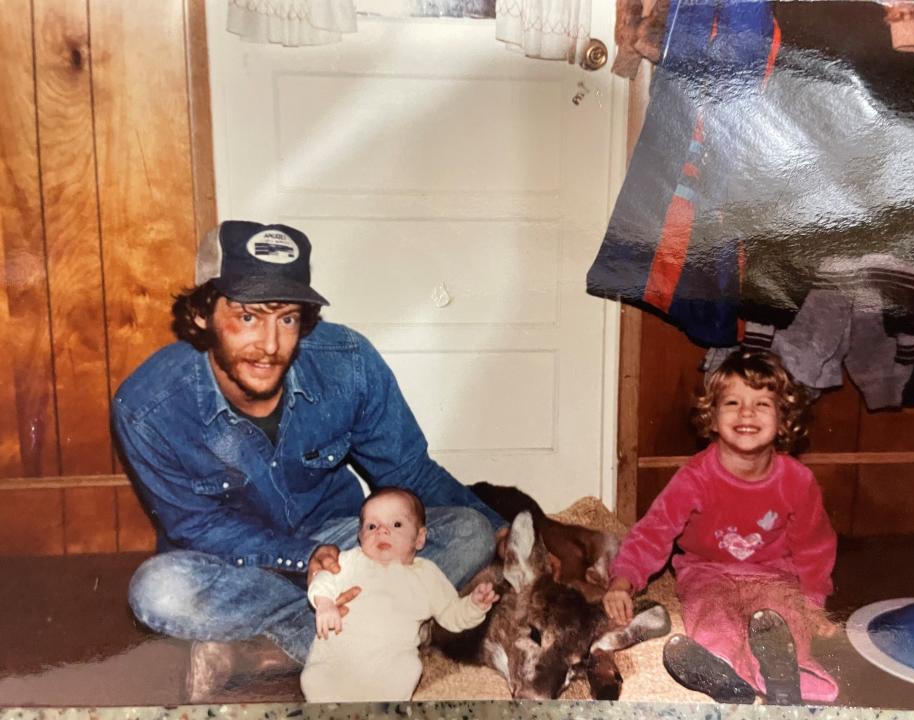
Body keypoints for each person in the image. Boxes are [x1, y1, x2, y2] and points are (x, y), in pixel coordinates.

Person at [112, 220, 506, 702]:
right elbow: (197, 527)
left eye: (288, 318)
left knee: (469, 532)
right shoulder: (147, 406)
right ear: (202, 314)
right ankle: (357, 632)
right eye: (248, 318)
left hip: (344, 550)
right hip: (235, 565)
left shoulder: (349, 363)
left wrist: (498, 528)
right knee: (158, 591)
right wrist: (301, 559)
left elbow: (406, 472)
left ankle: (262, 651)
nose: (271, 345)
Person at [602, 349, 838, 705]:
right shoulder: (694, 478)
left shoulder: (797, 480)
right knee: (712, 617)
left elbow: (814, 547)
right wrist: (622, 581)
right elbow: (654, 532)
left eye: (762, 404)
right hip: (707, 572)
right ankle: (724, 674)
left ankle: (787, 675)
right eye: (732, 402)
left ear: (784, 419)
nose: (747, 412)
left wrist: (812, 604)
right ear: (711, 418)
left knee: (782, 617)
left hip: (775, 573)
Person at [301, 487, 499, 702]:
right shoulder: (351, 561)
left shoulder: (427, 575)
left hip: (390, 659)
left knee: (408, 669)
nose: (382, 531)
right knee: (315, 678)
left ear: (419, 538)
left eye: (396, 525)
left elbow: (451, 614)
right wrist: (325, 604)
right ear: (359, 536)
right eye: (372, 526)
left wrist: (473, 605)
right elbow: (324, 578)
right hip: (338, 656)